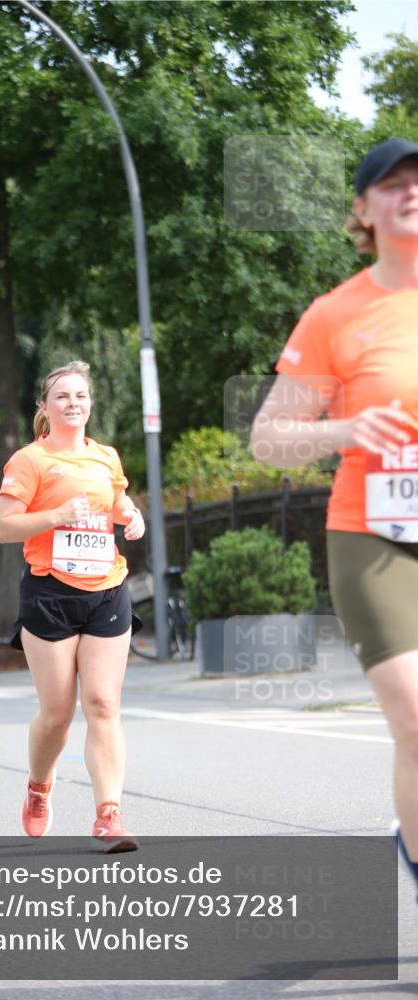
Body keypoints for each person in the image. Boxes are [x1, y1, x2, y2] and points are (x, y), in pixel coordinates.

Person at [251, 138, 418, 905]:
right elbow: (267, 439)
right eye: (391, 184)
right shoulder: (334, 314)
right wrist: (343, 432)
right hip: (372, 533)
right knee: (415, 718)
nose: (409, 192)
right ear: (361, 210)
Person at [0, 360, 145, 852]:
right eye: (62, 396)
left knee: (103, 703)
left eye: (80, 395)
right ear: (45, 406)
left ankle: (109, 815)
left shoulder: (106, 457)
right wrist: (57, 514)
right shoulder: (29, 461)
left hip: (107, 587)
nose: (73, 403)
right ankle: (39, 786)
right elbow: (4, 527)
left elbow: (116, 503)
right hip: (50, 592)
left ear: (89, 404)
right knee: (57, 714)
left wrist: (133, 516)